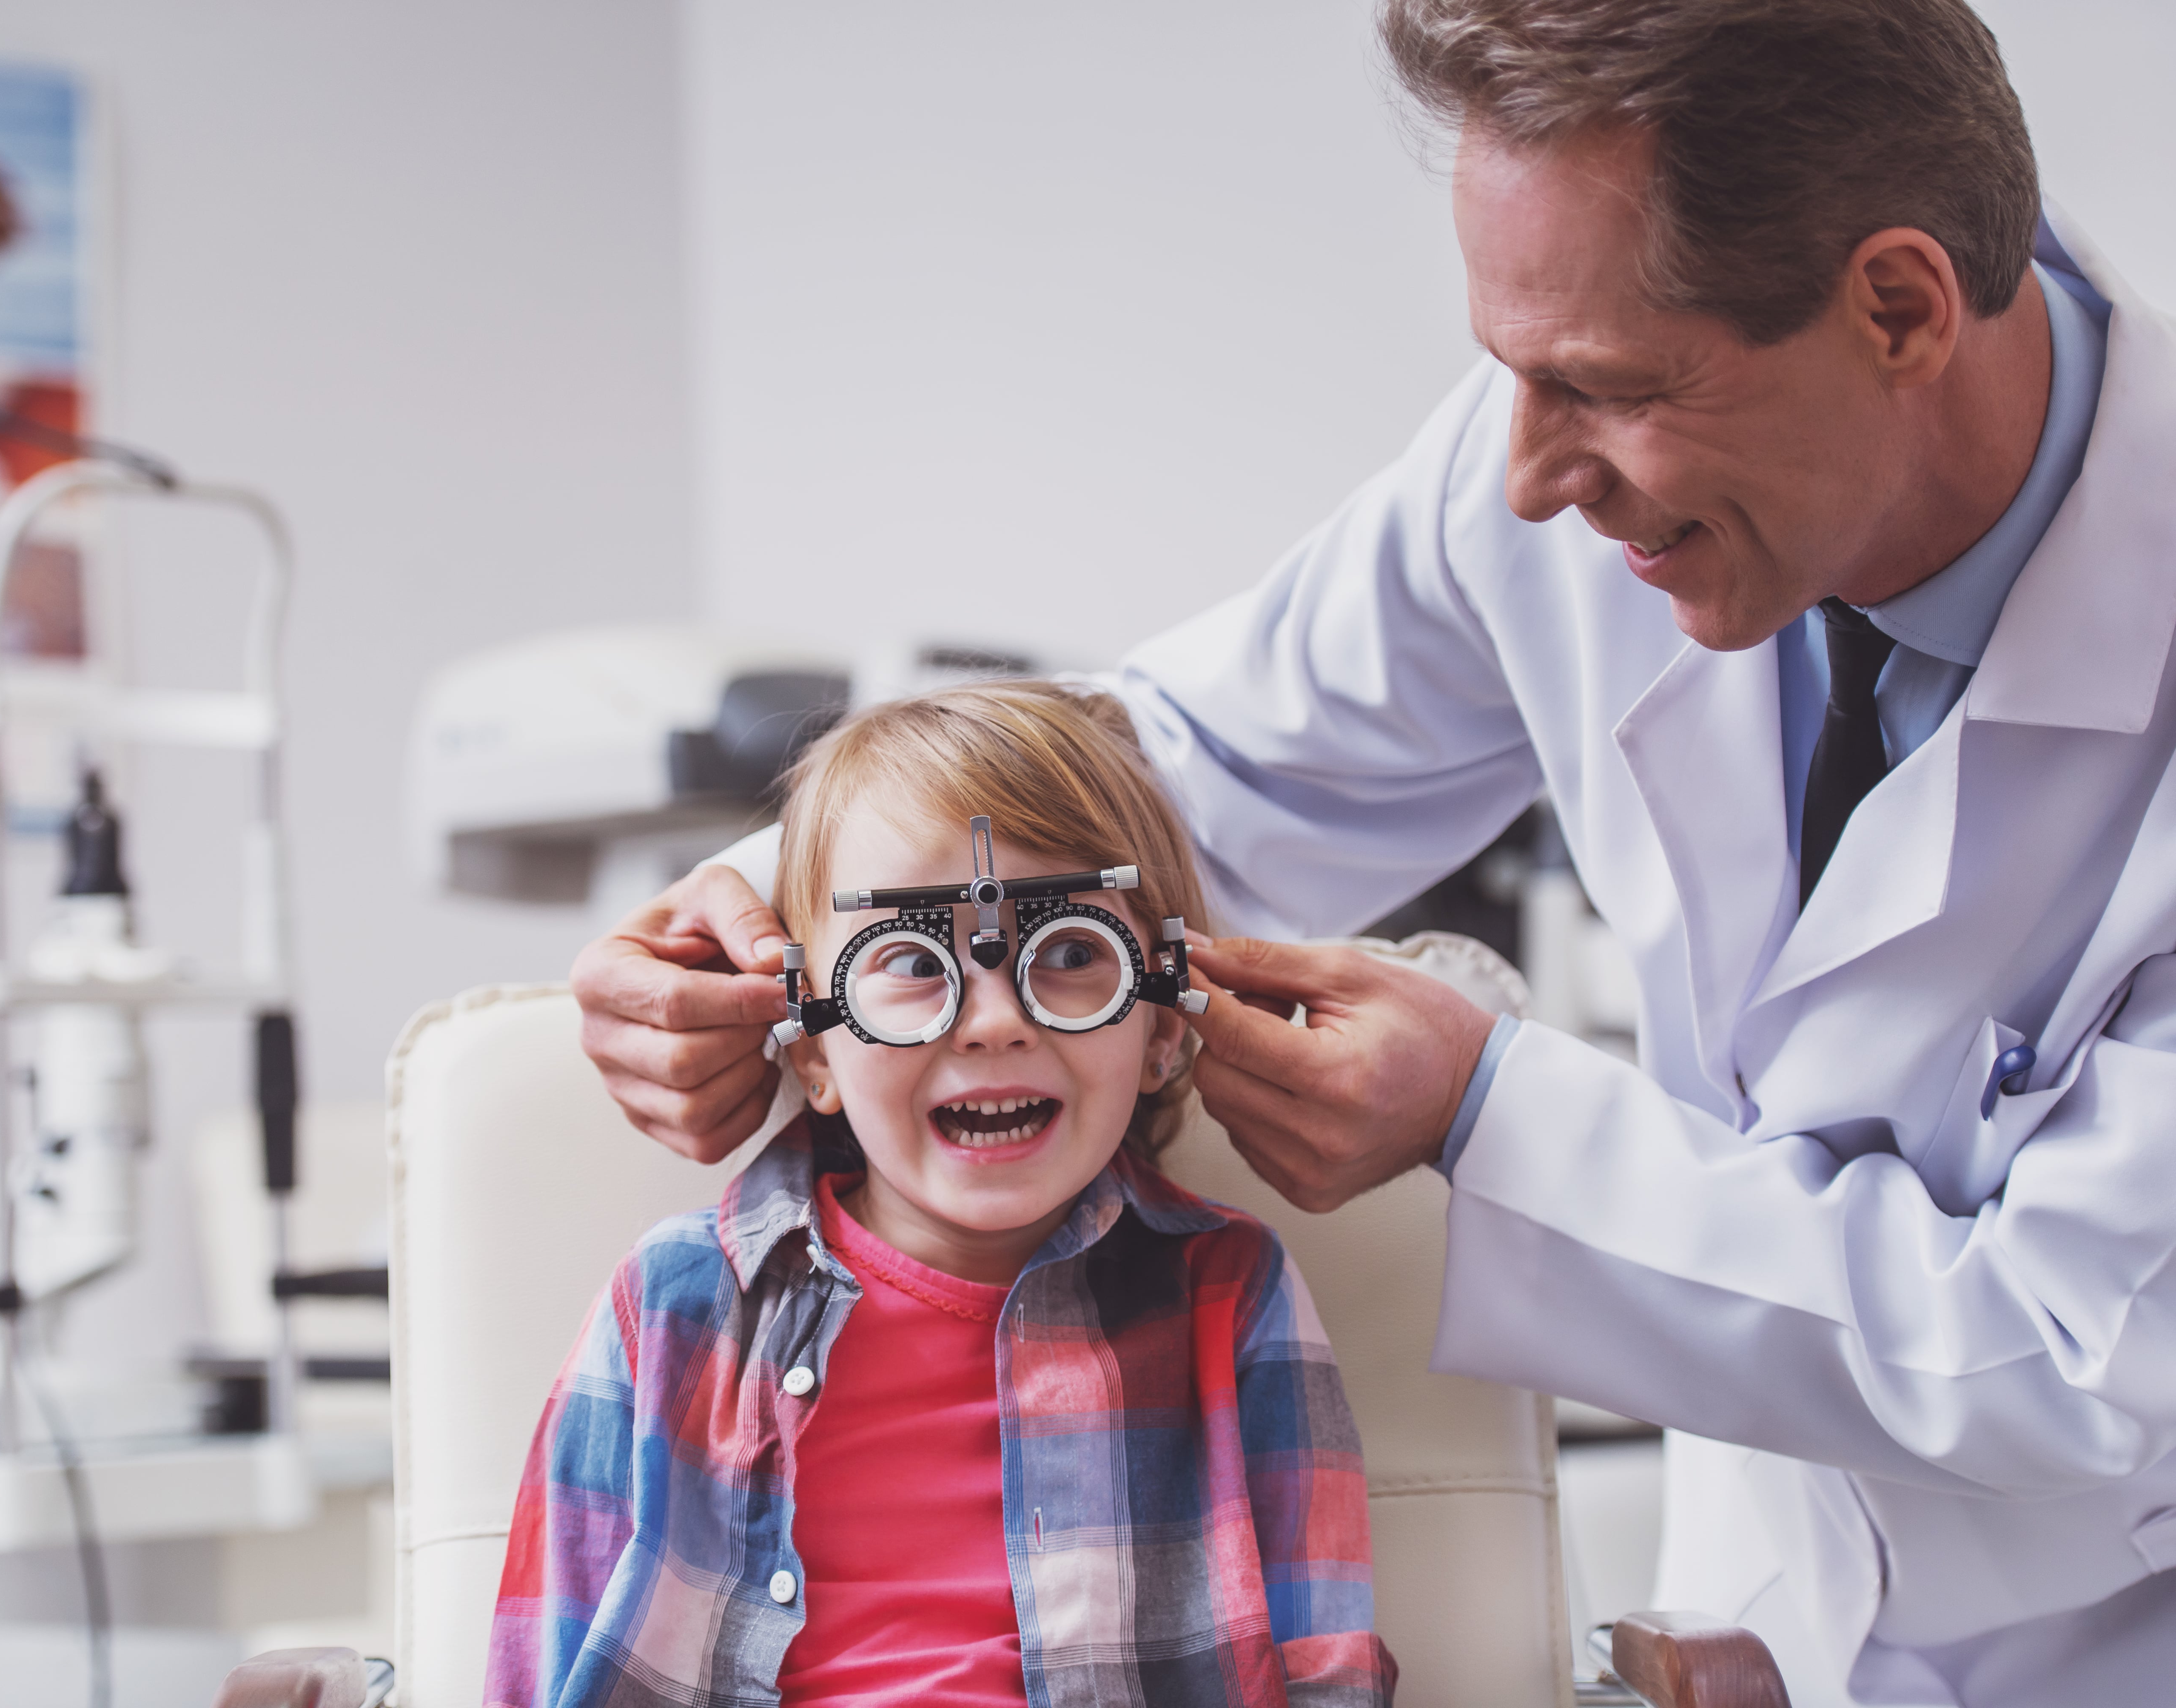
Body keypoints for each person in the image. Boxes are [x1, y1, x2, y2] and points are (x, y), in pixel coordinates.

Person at [568, 3, 2176, 1705]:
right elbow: (1163, 780)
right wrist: (760, 911)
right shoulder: (1560, 468)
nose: (1531, 477)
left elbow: (2072, 1346)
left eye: (1604, 391)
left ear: (1899, 307)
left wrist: (1488, 1114)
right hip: (1751, 1621)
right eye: (1507, 372)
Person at [489, 684, 1398, 1708]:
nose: (993, 1021)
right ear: (813, 1052)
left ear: (1162, 1026)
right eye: (910, 964)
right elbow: (539, 1662)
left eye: (1067, 954)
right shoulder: (670, 1305)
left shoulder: (1231, 1293)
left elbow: (1328, 1671)